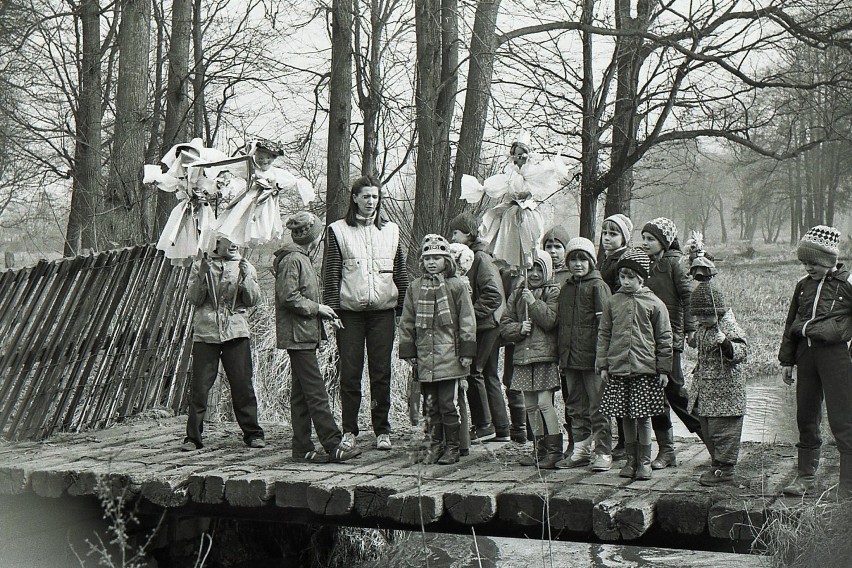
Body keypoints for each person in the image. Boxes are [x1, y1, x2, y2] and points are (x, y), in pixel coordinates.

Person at [323, 175, 408, 452]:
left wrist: (402, 310)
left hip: (383, 313)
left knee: (381, 372)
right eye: (366, 196)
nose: (371, 201)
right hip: (350, 314)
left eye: (375, 196)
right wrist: (332, 311)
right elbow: (332, 273)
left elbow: (401, 274)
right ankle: (349, 430)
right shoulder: (338, 230)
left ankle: (382, 430)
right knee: (350, 372)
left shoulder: (392, 231)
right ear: (355, 198)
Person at [274, 212, 362, 463]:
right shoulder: (293, 259)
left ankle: (302, 447)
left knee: (301, 394)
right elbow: (289, 297)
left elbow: (301, 296)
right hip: (297, 335)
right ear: (311, 236)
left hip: (303, 333)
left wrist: (324, 313)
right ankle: (333, 444)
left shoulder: (300, 258)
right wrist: (318, 309)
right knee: (316, 392)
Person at [779, 226, 852, 498]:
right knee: (806, 416)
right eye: (804, 261)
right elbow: (791, 323)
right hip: (805, 357)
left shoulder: (847, 284)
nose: (808, 267)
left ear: (830, 260)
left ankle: (848, 484)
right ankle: (805, 478)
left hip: (837, 359)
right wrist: (787, 360)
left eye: (814, 262)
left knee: (843, 420)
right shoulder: (803, 285)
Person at [399, 235, 477, 465]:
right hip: (425, 355)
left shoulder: (456, 286)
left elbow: (467, 320)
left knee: (448, 404)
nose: (432, 262)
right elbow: (407, 321)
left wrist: (466, 351)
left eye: (437, 258)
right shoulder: (415, 288)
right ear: (422, 261)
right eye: (428, 258)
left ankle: (453, 446)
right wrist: (410, 352)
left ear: (447, 261)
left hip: (450, 355)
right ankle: (435, 445)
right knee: (430, 405)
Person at [182, 237, 265, 451]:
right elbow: (194, 299)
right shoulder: (201, 264)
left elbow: (252, 300)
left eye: (237, 238)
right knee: (200, 387)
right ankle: (192, 438)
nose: (234, 243)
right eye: (229, 239)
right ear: (217, 242)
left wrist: (247, 277)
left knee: (242, 385)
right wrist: (202, 274)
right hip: (206, 333)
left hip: (236, 332)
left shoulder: (245, 265)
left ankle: (253, 434)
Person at [597, 248, 672, 481]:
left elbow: (664, 337)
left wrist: (663, 369)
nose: (626, 282)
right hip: (618, 369)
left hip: (644, 370)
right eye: (622, 277)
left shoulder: (655, 304)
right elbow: (604, 334)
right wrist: (603, 365)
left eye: (631, 277)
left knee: (643, 416)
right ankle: (630, 460)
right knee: (625, 415)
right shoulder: (613, 302)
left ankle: (645, 461)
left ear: (641, 277)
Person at [640, 217, 702, 469]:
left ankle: (712, 440)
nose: (645, 243)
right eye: (643, 238)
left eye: (651, 239)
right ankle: (667, 451)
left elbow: (688, 297)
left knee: (676, 392)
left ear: (664, 242)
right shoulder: (647, 265)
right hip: (648, 339)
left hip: (671, 339)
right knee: (657, 396)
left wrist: (690, 329)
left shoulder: (675, 264)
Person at [448, 212, 510, 443]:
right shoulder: (472, 256)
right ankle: (502, 428)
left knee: (475, 372)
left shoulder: (480, 258)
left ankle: (484, 425)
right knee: (490, 374)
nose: (452, 237)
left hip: (486, 325)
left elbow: (493, 294)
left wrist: (469, 316)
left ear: (468, 233)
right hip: (487, 323)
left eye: (455, 232)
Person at [501, 250, 562, 468]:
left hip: (544, 356)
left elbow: (550, 321)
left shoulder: (553, 291)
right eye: (531, 269)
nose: (534, 274)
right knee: (530, 405)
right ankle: (539, 448)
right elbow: (505, 324)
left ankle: (555, 450)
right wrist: (519, 328)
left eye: (539, 269)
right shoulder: (518, 291)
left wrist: (534, 301)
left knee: (544, 402)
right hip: (523, 357)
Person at [555, 237, 613, 471]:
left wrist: (602, 358)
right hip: (570, 360)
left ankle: (603, 451)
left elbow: (605, 326)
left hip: (593, 361)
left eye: (583, 259)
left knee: (598, 406)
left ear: (591, 261)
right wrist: (563, 356)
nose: (578, 264)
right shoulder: (567, 288)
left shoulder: (598, 287)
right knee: (575, 406)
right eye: (573, 259)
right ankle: (580, 449)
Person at [688, 281, 748, 486]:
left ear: (719, 311)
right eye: (699, 315)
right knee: (709, 429)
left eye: (706, 314)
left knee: (725, 431)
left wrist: (726, 343)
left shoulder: (728, 326)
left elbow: (742, 351)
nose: (702, 318)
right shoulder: (705, 326)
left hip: (726, 391)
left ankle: (726, 470)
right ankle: (717, 465)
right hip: (708, 389)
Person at [217, 139, 315, 247]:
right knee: (242, 217)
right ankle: (240, 233)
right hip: (251, 198)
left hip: (266, 202)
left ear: (273, 159)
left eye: (268, 158)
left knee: (263, 221)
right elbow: (232, 166)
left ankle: (255, 235)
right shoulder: (252, 169)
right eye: (260, 158)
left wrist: (278, 187)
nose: (264, 161)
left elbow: (292, 180)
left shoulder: (275, 172)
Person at [597, 213, 634, 460]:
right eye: (605, 233)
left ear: (624, 238)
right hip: (608, 324)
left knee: (622, 384)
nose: (607, 238)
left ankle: (625, 440)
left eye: (613, 234)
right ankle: (621, 440)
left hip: (620, 327)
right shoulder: (606, 260)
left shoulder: (622, 261)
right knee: (614, 386)